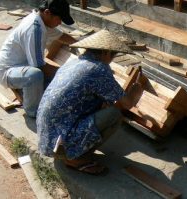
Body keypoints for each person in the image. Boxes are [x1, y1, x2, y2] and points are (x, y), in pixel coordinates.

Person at [37, 30, 143, 175]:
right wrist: (136, 90)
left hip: (47, 139)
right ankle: (75, 157)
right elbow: (127, 103)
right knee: (114, 114)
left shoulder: (74, 62)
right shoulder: (99, 69)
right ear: (106, 53)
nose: (112, 60)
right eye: (113, 55)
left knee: (102, 104)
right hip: (61, 142)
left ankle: (72, 150)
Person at [0, 0, 75, 117]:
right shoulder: (35, 29)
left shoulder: (40, 19)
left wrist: (82, 44)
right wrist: (67, 72)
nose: (60, 22)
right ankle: (33, 111)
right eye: (59, 19)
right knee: (35, 75)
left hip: (21, 68)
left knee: (55, 83)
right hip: (7, 72)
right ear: (47, 12)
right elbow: (39, 66)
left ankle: (26, 91)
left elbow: (62, 36)